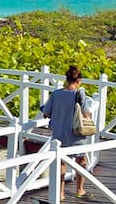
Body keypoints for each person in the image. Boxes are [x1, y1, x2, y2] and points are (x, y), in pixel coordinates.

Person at [40, 64, 96, 196]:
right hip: (75, 133)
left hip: (58, 133)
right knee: (81, 160)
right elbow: (86, 113)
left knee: (61, 162)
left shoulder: (56, 94)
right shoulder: (79, 93)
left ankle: (60, 193)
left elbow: (47, 112)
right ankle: (79, 189)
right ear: (78, 81)